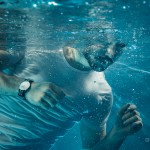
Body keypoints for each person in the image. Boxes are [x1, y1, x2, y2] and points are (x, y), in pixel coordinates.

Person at [0, 42, 142, 150]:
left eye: (119, 46)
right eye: (105, 43)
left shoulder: (103, 94)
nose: (111, 53)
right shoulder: (39, 47)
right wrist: (26, 88)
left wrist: (117, 135)